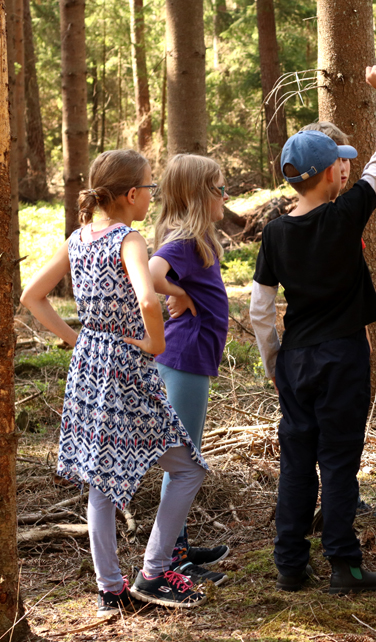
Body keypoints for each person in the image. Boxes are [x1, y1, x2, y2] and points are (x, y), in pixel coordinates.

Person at [21, 149, 209, 616]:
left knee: (100, 481)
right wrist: (157, 344)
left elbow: (32, 295)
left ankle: (110, 590)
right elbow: (147, 300)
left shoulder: (79, 239)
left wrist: (73, 338)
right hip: (126, 366)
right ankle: (154, 570)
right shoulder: (130, 239)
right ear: (130, 194)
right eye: (150, 188)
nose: (152, 196)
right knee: (188, 468)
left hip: (89, 366)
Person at [248, 65, 376, 594]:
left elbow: (261, 309)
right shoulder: (344, 215)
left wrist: (275, 364)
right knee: (337, 462)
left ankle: (290, 562)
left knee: (297, 460)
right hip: (341, 357)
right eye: (342, 165)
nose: (348, 170)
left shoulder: (275, 233)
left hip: (297, 358)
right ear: (331, 172)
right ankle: (344, 564)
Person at [147, 153, 232, 587]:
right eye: (219, 188)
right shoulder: (182, 240)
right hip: (184, 360)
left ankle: (176, 544)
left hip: (192, 360)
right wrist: (180, 291)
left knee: (185, 457)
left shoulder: (199, 240)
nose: (225, 195)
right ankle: (170, 559)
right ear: (201, 194)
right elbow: (149, 271)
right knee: (183, 462)